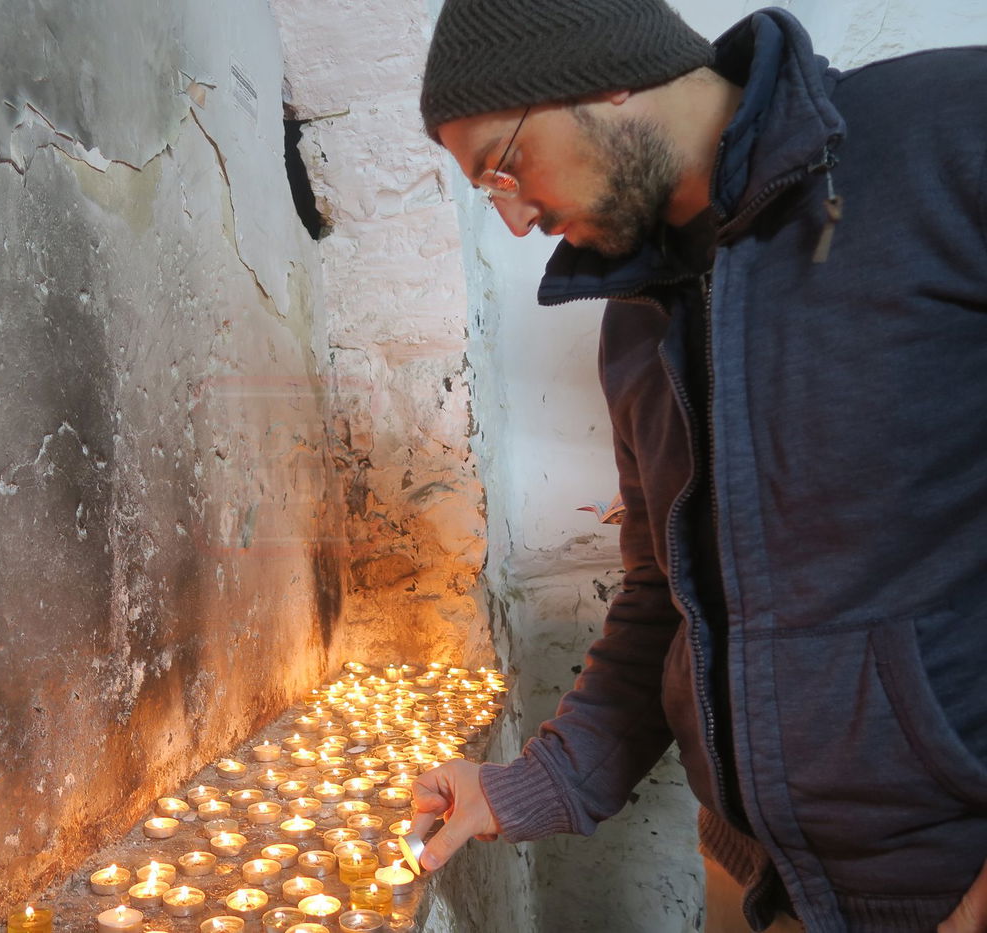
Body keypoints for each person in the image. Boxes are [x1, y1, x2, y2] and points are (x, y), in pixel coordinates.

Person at [409, 1, 987, 931]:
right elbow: (664, 595)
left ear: (602, 70)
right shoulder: (637, 320)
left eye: (501, 166)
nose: (516, 219)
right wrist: (532, 784)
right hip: (752, 881)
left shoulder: (949, 132)